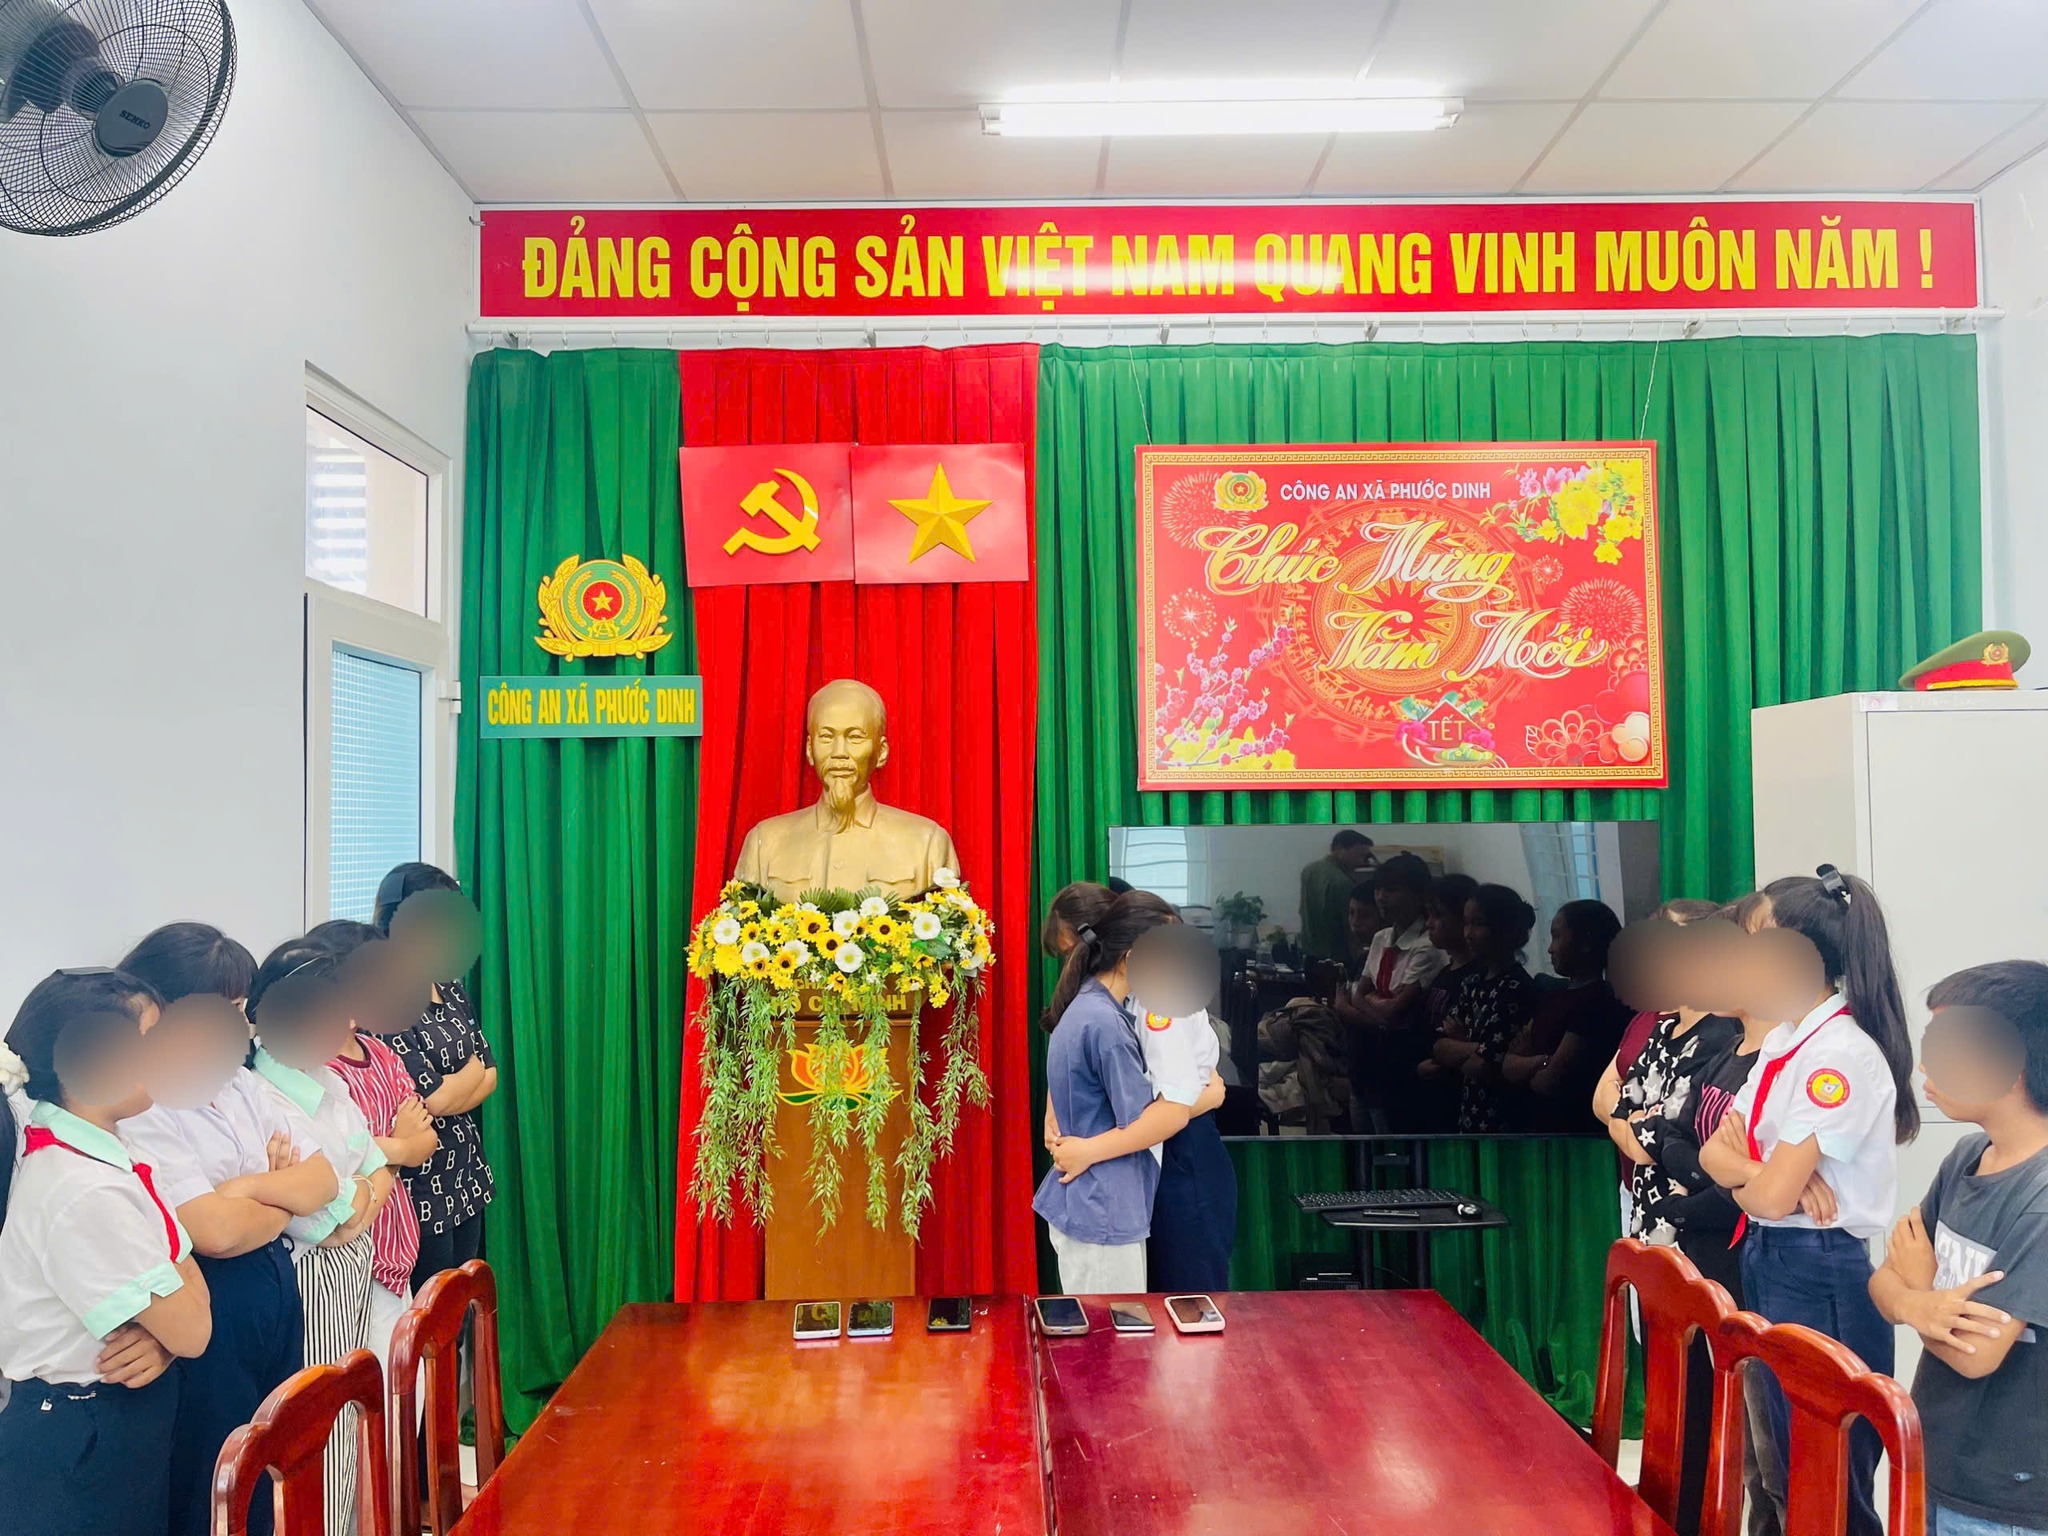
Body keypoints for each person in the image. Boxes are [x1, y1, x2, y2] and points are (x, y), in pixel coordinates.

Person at [1700, 867, 1919, 1536]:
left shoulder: (1838, 1056)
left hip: (1818, 1267)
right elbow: (1713, 1154)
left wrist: (1762, 1177)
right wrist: (1760, 1170)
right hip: (1775, 1256)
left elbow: (1769, 1196)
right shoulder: (1784, 1042)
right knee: (1786, 1467)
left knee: (1825, 1478)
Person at [119, 923, 337, 1536]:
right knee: (212, 1476)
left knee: (268, 1455)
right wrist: (278, 1191)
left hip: (272, 1282)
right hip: (211, 1296)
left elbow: (322, 1181)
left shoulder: (236, 1080)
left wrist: (243, 1191)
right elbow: (211, 1231)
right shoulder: (143, 1101)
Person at [0, 969, 214, 1536]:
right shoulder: (82, 1188)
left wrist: (164, 1340)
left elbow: (184, 1308)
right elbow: (194, 1328)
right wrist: (174, 1329)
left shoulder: (112, 1151)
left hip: (114, 1412)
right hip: (80, 1431)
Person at [1871, 961, 2048, 1536]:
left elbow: (1976, 1354)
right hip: (1938, 1458)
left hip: (2007, 1499)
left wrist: (1918, 1290)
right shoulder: (1966, 1156)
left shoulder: (2041, 1197)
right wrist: (1921, 1305)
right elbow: (1881, 1281)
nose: (1927, 1065)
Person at [247, 939, 395, 1536]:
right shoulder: (262, 1096)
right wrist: (356, 1196)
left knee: (347, 1424)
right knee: (314, 1437)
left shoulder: (327, 1081)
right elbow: (320, 1220)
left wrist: (356, 1195)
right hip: (307, 1281)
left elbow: (377, 1171)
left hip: (353, 1272)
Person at [1040, 884, 1232, 1292]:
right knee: (1145, 1307)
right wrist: (1058, 1108)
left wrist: (1087, 1149)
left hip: (1179, 1157)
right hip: (1136, 1155)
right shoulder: (1104, 1004)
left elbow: (1172, 1108)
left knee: (1187, 1299)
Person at [307, 920, 435, 1380]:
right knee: (370, 1393)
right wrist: (399, 1145)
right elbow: (343, 1155)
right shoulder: (317, 1066)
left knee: (406, 1384)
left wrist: (390, 1148)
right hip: (353, 1254)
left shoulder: (379, 1053)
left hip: (397, 1245)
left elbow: (425, 1138)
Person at [374, 863, 497, 1294]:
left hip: (466, 1169)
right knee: (432, 1313)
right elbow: (432, 1100)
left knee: (467, 1302)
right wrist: (468, 1075)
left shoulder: (448, 983)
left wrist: (461, 1082)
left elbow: (490, 1073)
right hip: (419, 1186)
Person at [1595, 897, 1724, 1233]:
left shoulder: (1720, 1036)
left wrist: (1630, 1117)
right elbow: (1602, 1102)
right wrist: (1631, 1118)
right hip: (1642, 1206)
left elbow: (1643, 1146)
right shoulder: (1661, 1027)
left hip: (1687, 1220)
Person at [1337, 854, 1447, 1131]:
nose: (1381, 897)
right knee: (1362, 1137)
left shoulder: (1427, 945)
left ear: (1419, 895)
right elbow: (1361, 997)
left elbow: (1395, 1011)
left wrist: (1361, 1005)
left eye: (1391, 889)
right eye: (1378, 888)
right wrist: (1377, 1010)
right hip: (1365, 1060)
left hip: (1398, 1063)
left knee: (1390, 1139)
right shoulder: (1381, 937)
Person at [1503, 900, 1630, 1133]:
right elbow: (1508, 1065)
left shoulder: (1598, 1002)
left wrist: (1532, 1060)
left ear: (1586, 942)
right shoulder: (1552, 996)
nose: (1550, 949)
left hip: (1573, 1129)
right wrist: (1543, 1061)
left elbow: (1549, 1081)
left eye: (1557, 937)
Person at [1431, 885, 1538, 1133]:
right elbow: (1439, 1046)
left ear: (1505, 930)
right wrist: (1479, 1048)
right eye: (1466, 923)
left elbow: (1483, 1066)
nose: (1468, 933)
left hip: (1503, 1117)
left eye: (1478, 924)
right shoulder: (1472, 981)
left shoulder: (1515, 987)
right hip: (1469, 1111)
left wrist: (1465, 1046)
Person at [1409, 874, 1478, 1133]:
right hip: (1430, 1091)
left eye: (1438, 915)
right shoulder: (1445, 972)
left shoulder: (1477, 978)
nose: (1429, 924)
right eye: (1428, 915)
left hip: (1457, 1099)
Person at [1299, 830, 1375, 964]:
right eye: (1360, 854)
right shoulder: (1342, 882)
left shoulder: (1309, 870)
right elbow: (1351, 926)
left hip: (1309, 952)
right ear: (1340, 849)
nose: (1363, 860)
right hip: (1336, 957)